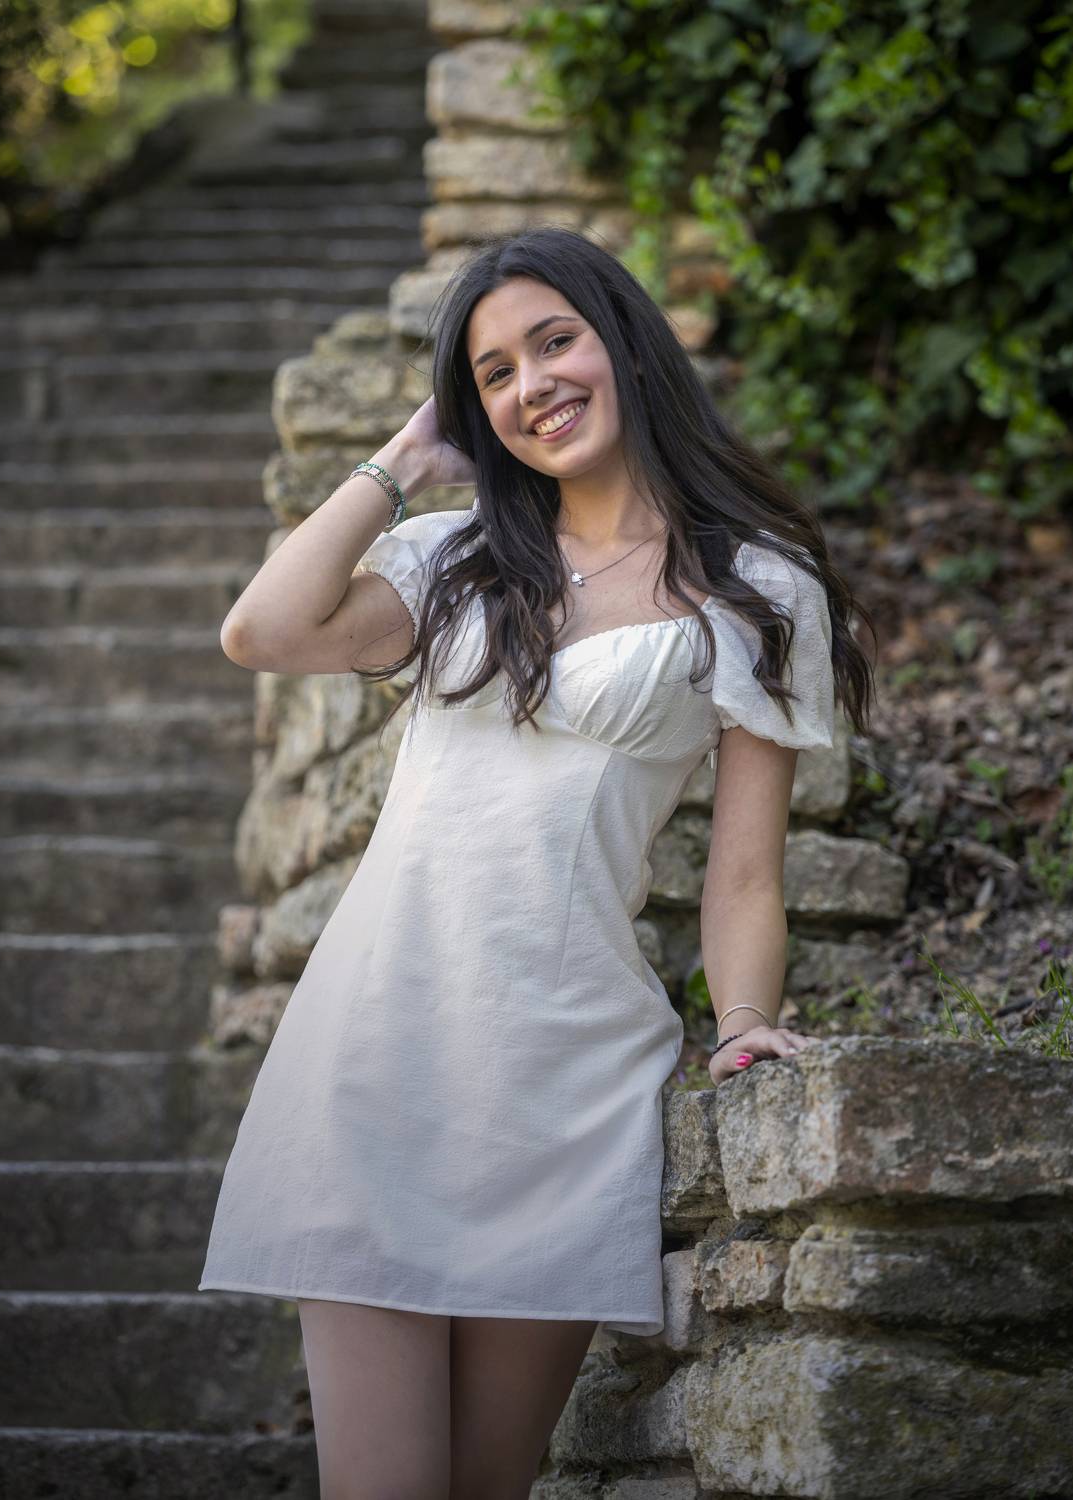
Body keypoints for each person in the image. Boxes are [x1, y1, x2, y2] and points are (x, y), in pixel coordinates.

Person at [199, 225, 877, 1500]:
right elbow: (260, 631)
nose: (532, 386)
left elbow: (743, 874)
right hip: (374, 1056)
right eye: (494, 373)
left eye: (555, 342)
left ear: (626, 341)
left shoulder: (757, 590)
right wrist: (405, 459)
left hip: (563, 1080)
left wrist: (744, 1024)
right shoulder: (452, 560)